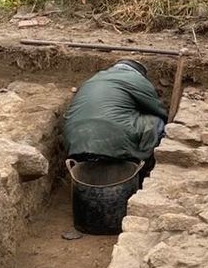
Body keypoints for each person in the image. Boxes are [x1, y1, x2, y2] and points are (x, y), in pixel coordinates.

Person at [63, 59, 169, 188]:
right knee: (157, 122)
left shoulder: (93, 78)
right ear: (140, 73)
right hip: (115, 138)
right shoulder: (137, 79)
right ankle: (142, 164)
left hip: (75, 139)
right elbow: (158, 110)